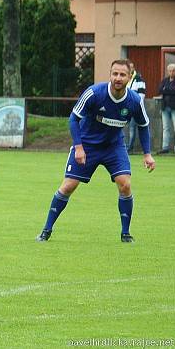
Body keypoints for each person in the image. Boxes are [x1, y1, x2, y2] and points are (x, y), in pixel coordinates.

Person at [36, 59, 155, 243]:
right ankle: (46, 230)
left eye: (122, 74)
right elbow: (73, 119)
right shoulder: (94, 93)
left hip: (114, 147)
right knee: (68, 186)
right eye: (114, 73)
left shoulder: (134, 101)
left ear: (129, 77)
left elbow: (143, 125)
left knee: (125, 184)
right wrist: (79, 147)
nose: (118, 78)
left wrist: (147, 153)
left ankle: (126, 233)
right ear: (110, 74)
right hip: (87, 145)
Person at [125, 61, 146, 154]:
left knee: (132, 128)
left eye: (131, 67)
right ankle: (124, 146)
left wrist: (135, 106)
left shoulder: (138, 79)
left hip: (134, 108)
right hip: (124, 108)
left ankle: (130, 147)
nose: (130, 69)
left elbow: (141, 94)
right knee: (123, 127)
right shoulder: (125, 78)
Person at [158, 63, 175, 154]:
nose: (171, 72)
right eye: (170, 71)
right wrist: (169, 90)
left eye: (173, 70)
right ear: (168, 71)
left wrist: (166, 90)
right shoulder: (164, 80)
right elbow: (159, 90)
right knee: (166, 128)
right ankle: (165, 147)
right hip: (165, 107)